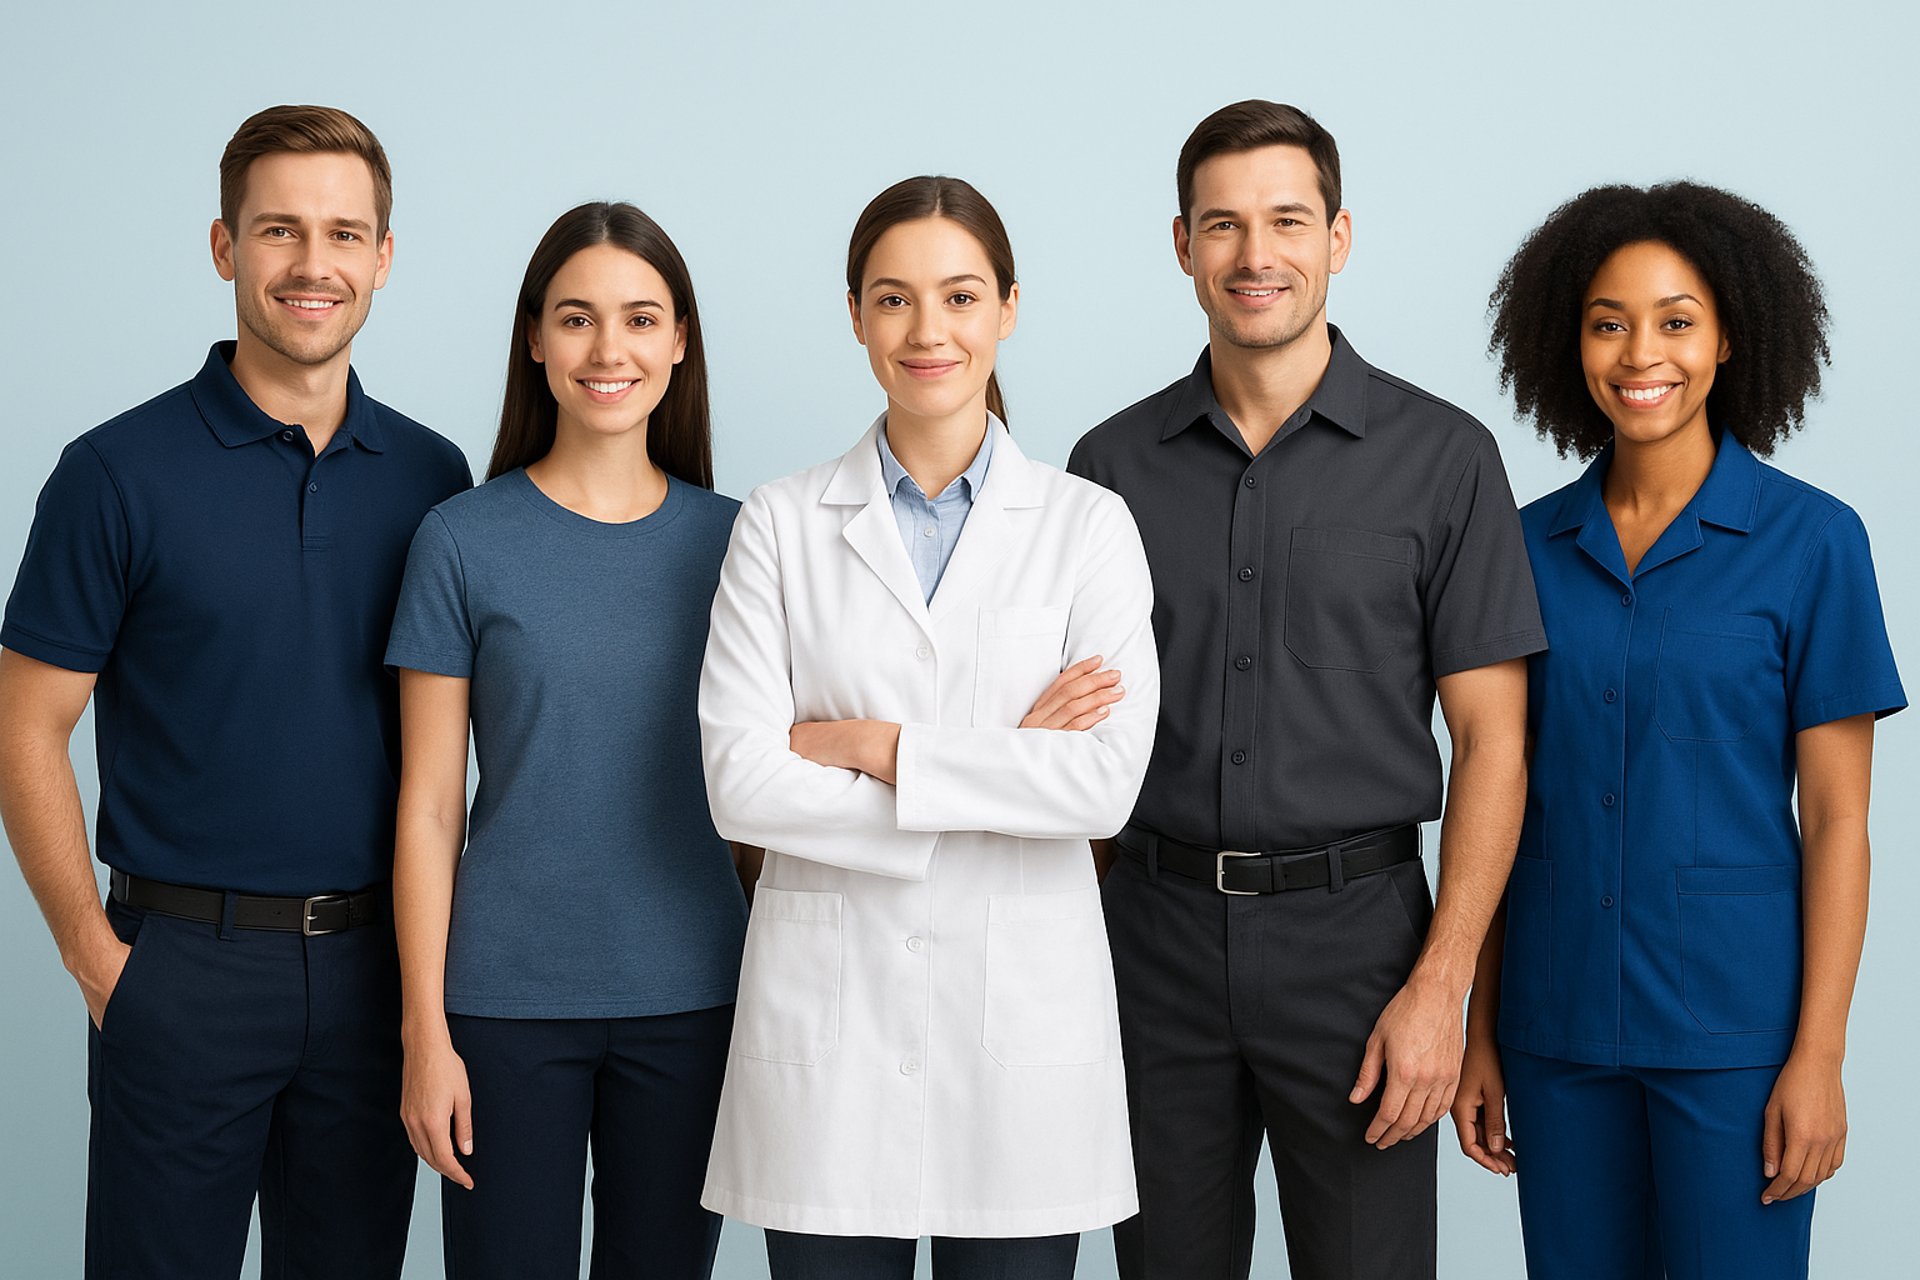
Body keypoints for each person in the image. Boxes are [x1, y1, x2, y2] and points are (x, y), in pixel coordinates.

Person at [1067, 100, 1544, 1280]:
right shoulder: (1107, 468)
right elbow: (1068, 740)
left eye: (1286, 219)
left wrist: (1444, 984)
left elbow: (1494, 742)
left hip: (1362, 948)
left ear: (1340, 236)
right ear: (1182, 246)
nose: (1254, 254)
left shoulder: (1446, 458)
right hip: (1153, 941)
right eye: (1222, 225)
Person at [0, 105, 470, 1279]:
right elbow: (25, 728)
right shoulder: (114, 472)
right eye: (279, 231)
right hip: (181, 966)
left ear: (383, 258)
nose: (314, 265)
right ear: (225, 248)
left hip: (376, 972)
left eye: (344, 234)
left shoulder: (432, 475)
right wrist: (96, 958)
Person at [697, 175, 1158, 1280]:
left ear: (1007, 307)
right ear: (855, 315)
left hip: (1021, 1039)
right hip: (833, 1030)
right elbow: (741, 783)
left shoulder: (1087, 526)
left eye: (959, 296)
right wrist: (1004, 771)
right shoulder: (782, 521)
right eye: (894, 299)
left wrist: (878, 748)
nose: (928, 330)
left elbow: (1100, 788)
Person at [1454, 181, 1906, 1280]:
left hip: (1734, 1040)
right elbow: (1497, 789)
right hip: (1555, 1031)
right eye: (1608, 321)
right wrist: (1479, 1030)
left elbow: (1840, 817)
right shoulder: (1520, 548)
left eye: (1675, 319)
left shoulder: (1814, 542)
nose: (1638, 352)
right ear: (1571, 342)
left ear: (1730, 337)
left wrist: (1819, 1054)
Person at [385, 202, 745, 1279]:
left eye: (640, 319)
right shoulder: (460, 538)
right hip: (501, 1005)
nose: (608, 349)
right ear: (534, 337)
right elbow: (429, 804)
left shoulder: (742, 541)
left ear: (679, 339)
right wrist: (422, 1031)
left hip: (696, 993)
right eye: (577, 318)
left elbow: (796, 755)